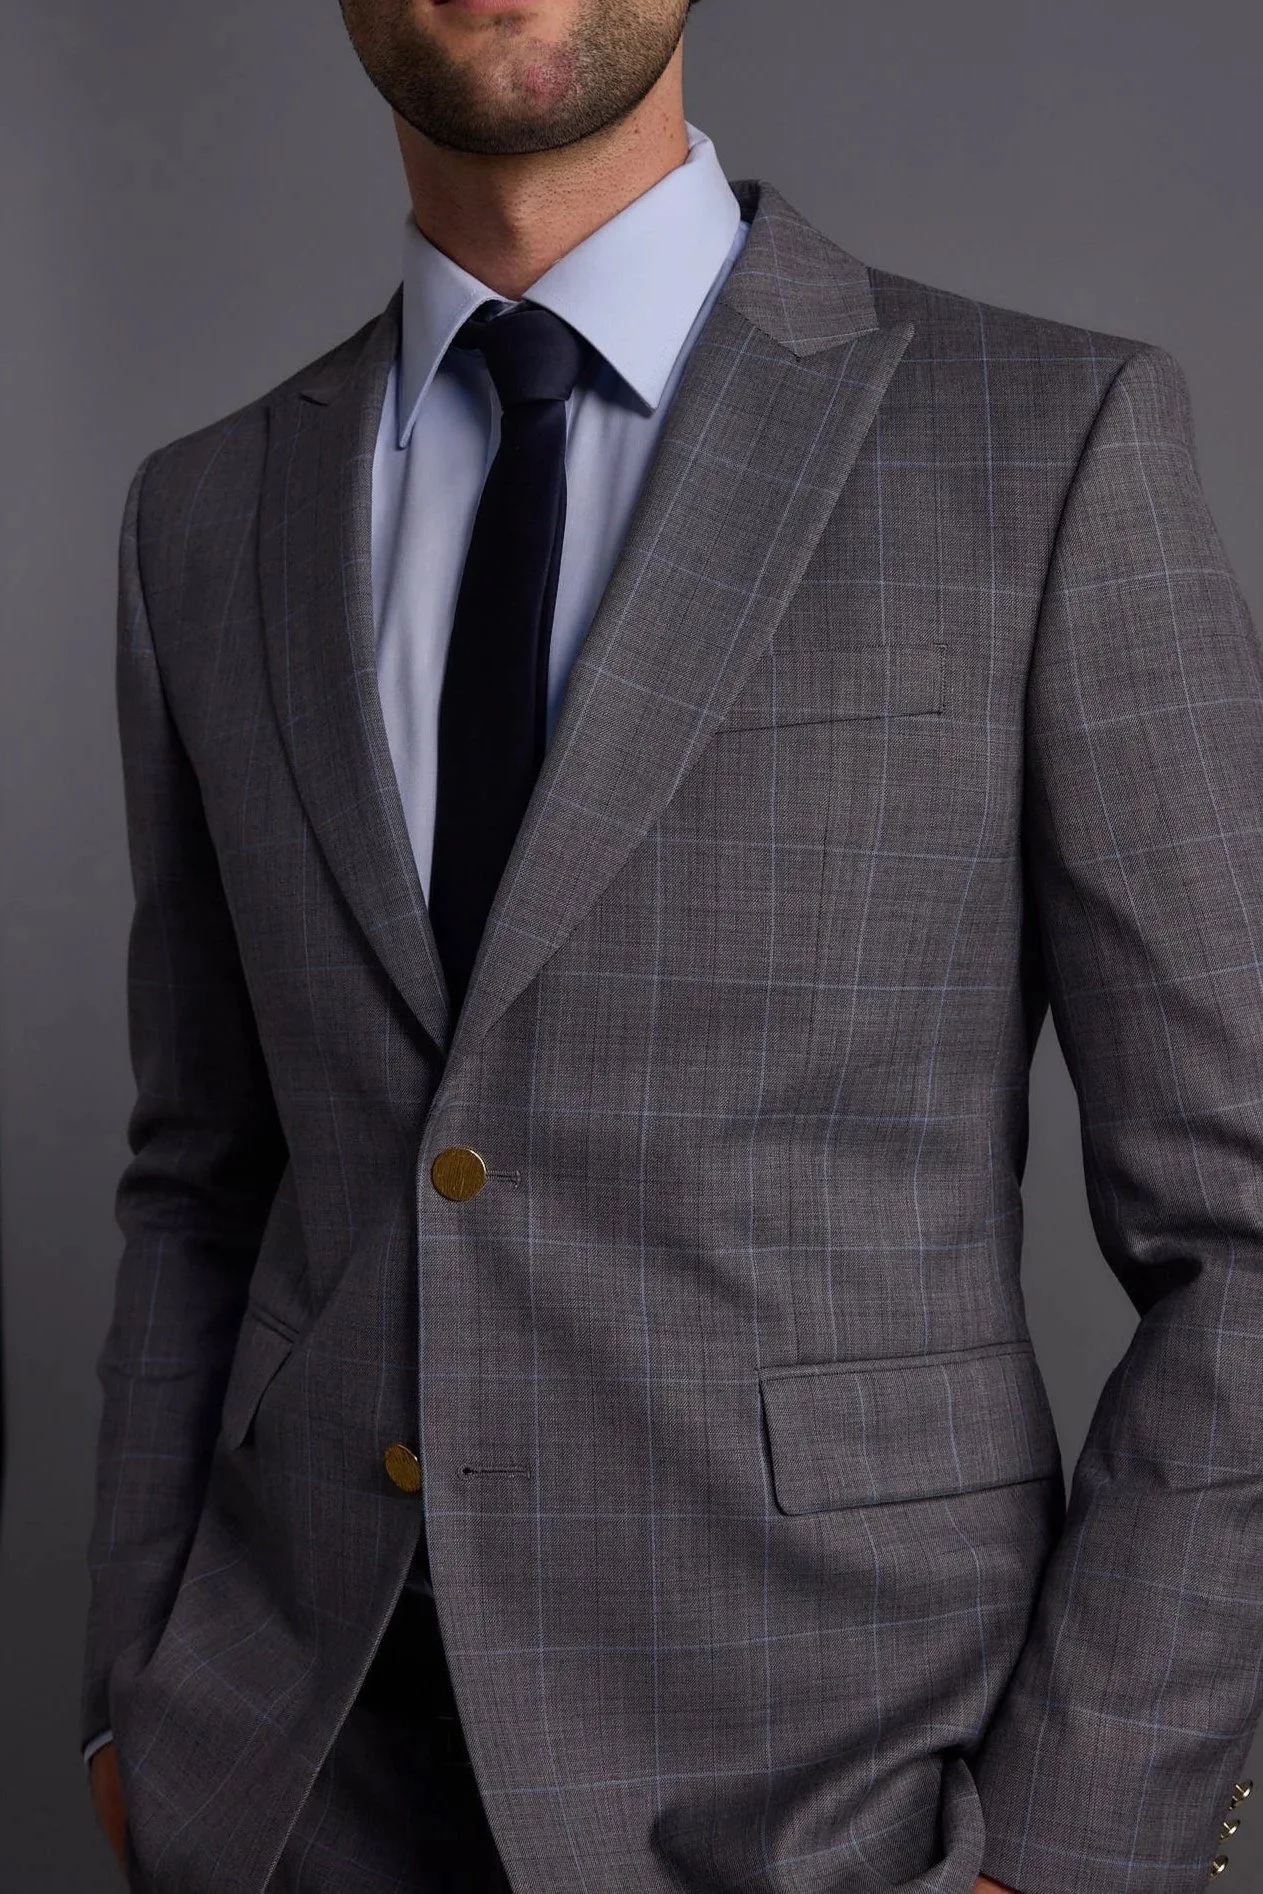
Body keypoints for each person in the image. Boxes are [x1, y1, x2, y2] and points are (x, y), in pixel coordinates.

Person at [83, 0, 1263, 1888]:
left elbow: (1244, 1229)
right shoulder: (204, 515)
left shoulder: (1042, 441)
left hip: (850, 1795)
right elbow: (199, 1176)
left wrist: (1065, 1838)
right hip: (294, 1783)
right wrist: (132, 1698)